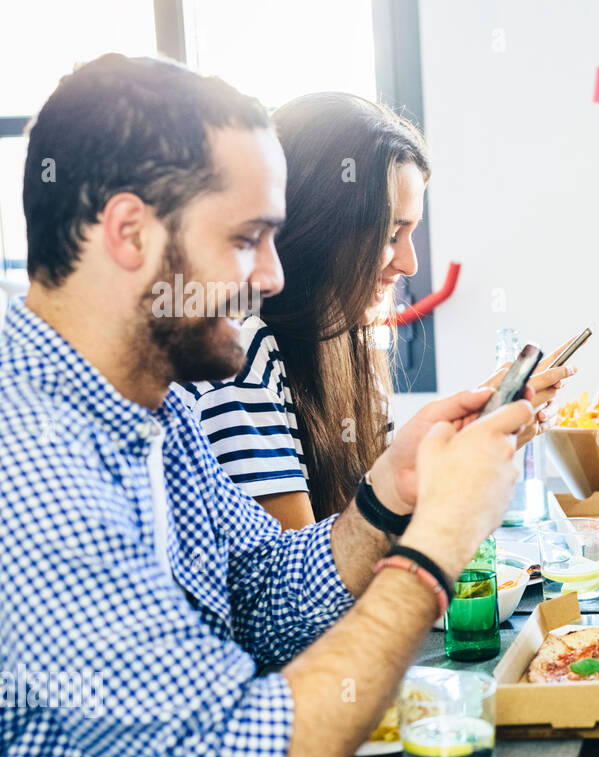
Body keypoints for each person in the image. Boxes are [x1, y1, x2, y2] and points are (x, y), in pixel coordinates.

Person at [0, 54, 529, 757]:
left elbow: (258, 591)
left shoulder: (159, 407)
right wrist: (439, 543)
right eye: (246, 240)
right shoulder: (31, 459)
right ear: (130, 233)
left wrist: (391, 495)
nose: (273, 277)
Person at [181, 92, 574, 529]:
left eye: (411, 233)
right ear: (318, 226)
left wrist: (463, 440)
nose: (409, 264)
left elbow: (374, 530)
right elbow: (301, 585)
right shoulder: (240, 361)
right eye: (390, 234)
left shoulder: (354, 355)